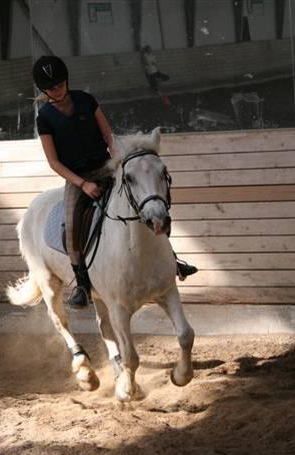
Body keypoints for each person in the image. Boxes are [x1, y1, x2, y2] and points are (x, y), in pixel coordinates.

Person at [32, 55, 196, 308]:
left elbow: (109, 136)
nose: (59, 89)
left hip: (107, 168)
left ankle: (172, 260)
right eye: (53, 87)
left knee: (147, 203)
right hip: (79, 180)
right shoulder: (44, 117)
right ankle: (82, 283)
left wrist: (118, 162)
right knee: (73, 224)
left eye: (62, 83)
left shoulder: (86, 101)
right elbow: (54, 162)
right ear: (45, 90)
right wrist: (82, 184)